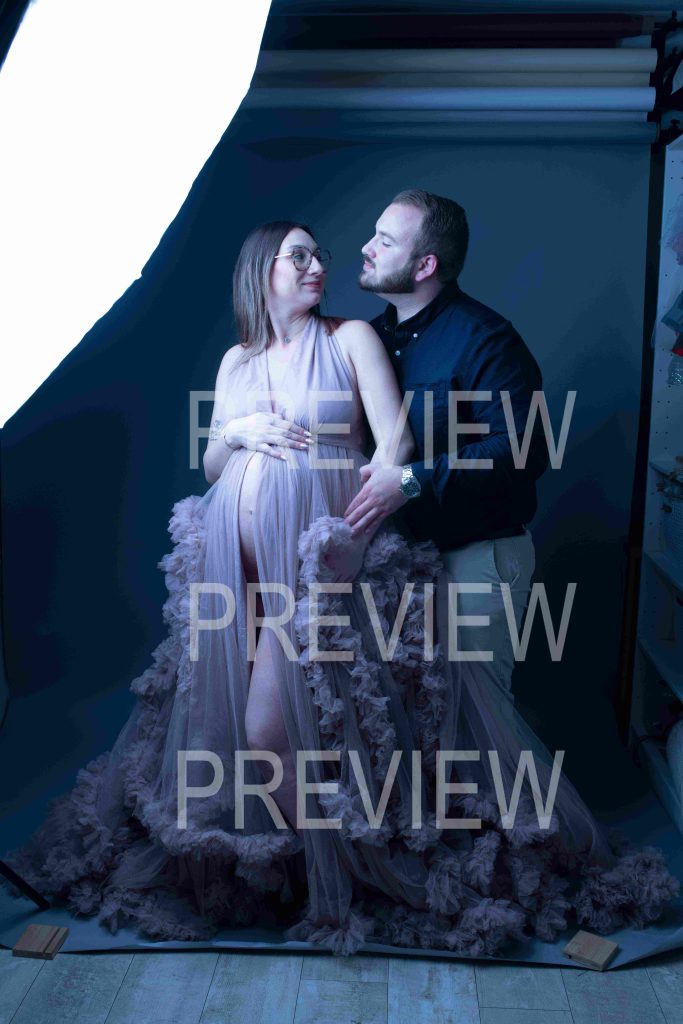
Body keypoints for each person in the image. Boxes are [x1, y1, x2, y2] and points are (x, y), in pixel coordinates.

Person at [1, 220, 678, 959]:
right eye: (299, 255)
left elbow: (394, 443)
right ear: (261, 271)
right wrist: (241, 432)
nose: (317, 264)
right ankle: (295, 868)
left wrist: (357, 533)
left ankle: (359, 872)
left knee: (270, 730)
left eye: (318, 253)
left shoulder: (351, 337)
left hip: (318, 566)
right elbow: (212, 464)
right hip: (237, 574)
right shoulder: (236, 360)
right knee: (230, 729)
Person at [345, 188, 548, 706]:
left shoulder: (486, 339)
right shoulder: (369, 339)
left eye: (385, 241)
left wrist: (411, 481)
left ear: (425, 265)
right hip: (400, 564)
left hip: (475, 560)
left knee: (477, 717)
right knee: (410, 718)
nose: (367, 247)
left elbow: (525, 450)